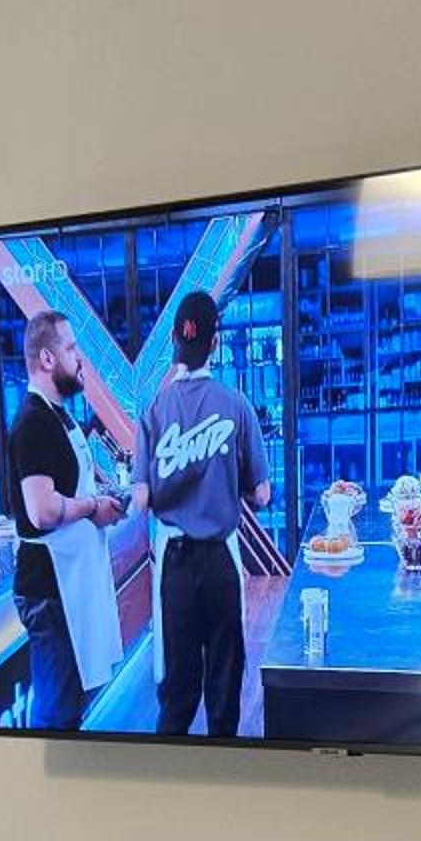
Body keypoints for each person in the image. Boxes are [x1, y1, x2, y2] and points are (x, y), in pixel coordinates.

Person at [131, 290, 271, 737]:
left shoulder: (153, 412)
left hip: (174, 565)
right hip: (221, 561)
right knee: (224, 689)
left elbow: (140, 498)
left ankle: (167, 776)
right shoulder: (236, 405)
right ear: (215, 343)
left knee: (177, 692)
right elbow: (262, 494)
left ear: (175, 339)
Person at [2, 309, 125, 731]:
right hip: (49, 592)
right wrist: (91, 507)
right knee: (55, 714)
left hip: (70, 588)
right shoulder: (32, 422)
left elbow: (71, 489)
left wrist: (101, 505)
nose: (79, 358)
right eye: (72, 349)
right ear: (47, 359)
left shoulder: (60, 416)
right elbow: (42, 510)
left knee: (70, 706)